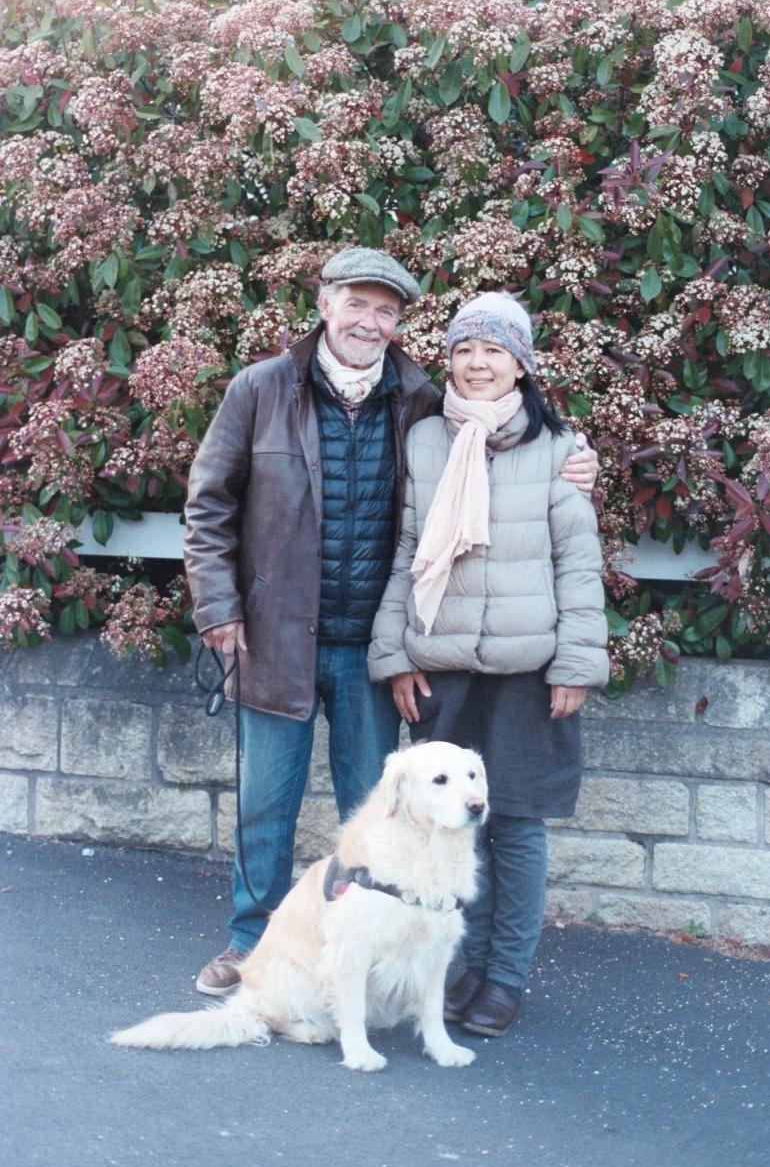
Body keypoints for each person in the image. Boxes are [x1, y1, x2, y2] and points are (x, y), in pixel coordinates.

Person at [183, 251, 599, 996]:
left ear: (399, 323)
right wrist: (217, 607)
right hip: (274, 636)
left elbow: (508, 444)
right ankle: (251, 944)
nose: (367, 322)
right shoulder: (261, 389)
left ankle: (357, 954)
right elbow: (208, 505)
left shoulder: (419, 398)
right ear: (324, 304)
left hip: (374, 649)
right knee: (264, 809)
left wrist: (579, 461)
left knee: (374, 820)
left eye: (384, 311)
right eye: (355, 304)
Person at [368, 291, 609, 1037]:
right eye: (465, 349)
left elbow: (577, 561)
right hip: (444, 665)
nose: (477, 364)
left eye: (494, 350)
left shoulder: (559, 450)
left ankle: (503, 978)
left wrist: (576, 661)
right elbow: (408, 551)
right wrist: (392, 652)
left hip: (529, 668)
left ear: (521, 365)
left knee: (515, 827)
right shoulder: (426, 439)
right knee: (446, 829)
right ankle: (458, 968)